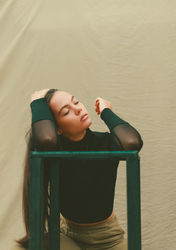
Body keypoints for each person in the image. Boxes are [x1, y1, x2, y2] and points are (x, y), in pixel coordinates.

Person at [12, 88, 143, 250]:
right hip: (66, 236)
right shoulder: (53, 148)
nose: (78, 109)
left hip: (107, 238)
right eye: (66, 112)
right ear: (57, 128)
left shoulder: (106, 142)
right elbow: (46, 139)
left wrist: (106, 111)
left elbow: (132, 143)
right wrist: (37, 101)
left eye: (76, 102)